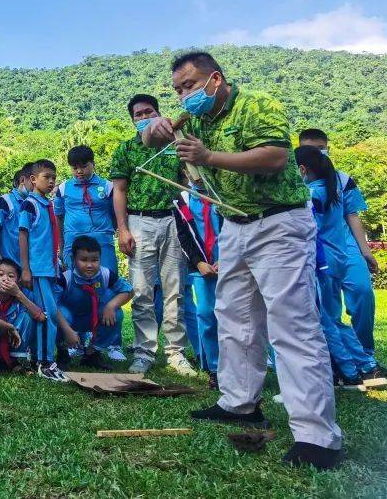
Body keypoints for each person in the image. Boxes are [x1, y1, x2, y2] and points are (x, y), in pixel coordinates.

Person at [145, 50, 342, 469]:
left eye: (190, 86)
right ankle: (239, 402)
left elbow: (275, 156)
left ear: (214, 79)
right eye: (178, 90)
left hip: (279, 222)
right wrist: (155, 127)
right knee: (233, 316)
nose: (184, 96)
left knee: (291, 324)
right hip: (234, 225)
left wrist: (208, 158)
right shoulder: (196, 117)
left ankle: (317, 437)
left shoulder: (257, 104)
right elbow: (149, 140)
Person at [110, 94, 193, 377]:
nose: (144, 117)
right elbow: (119, 191)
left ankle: (176, 354)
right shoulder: (126, 149)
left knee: (175, 288)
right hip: (139, 221)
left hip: (173, 219)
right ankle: (144, 352)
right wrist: (123, 229)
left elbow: (189, 179)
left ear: (159, 113)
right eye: (138, 114)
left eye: (149, 112)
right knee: (143, 290)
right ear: (132, 119)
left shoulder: (176, 142)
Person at [294, 146, 383, 387]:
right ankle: (365, 365)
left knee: (326, 320)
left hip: (321, 263)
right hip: (337, 259)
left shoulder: (311, 194)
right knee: (332, 318)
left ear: (302, 170)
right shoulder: (331, 188)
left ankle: (351, 370)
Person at [55, 146, 126, 361]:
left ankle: (112, 344)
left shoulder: (107, 186)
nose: (79, 171)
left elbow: (116, 213)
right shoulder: (63, 188)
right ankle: (77, 341)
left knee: (108, 291)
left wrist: (110, 232)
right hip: (72, 246)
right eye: (75, 167)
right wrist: (61, 247)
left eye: (83, 166)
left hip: (102, 245)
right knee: (74, 291)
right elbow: (58, 217)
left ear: (92, 163)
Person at [18, 159, 69, 383]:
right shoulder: (29, 205)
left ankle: (42, 360)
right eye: (46, 177)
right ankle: (46, 362)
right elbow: (23, 236)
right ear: (33, 179)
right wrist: (26, 269)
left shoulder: (46, 205)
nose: (51, 182)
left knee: (46, 314)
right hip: (37, 270)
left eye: (53, 178)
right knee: (47, 315)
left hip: (49, 269)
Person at [56, 236, 132, 369]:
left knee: (117, 314)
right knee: (57, 315)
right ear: (74, 260)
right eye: (83, 260)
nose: (90, 265)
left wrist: (111, 305)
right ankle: (62, 352)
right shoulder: (66, 278)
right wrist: (67, 329)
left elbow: (128, 291)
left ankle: (93, 353)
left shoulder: (106, 274)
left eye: (95, 260)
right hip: (69, 319)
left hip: (92, 318)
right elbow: (52, 305)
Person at [173, 187, 221, 386]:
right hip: (202, 267)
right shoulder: (182, 199)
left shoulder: (222, 193)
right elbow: (182, 235)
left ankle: (242, 366)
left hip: (231, 262)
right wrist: (198, 262)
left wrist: (228, 258)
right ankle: (215, 369)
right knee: (206, 314)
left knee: (237, 317)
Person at [0, 259, 40, 372]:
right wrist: (10, 327)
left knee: (27, 317)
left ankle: (16, 361)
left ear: (18, 282)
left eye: (11, 276)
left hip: (11, 343)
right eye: (1, 274)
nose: (5, 279)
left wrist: (18, 294)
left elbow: (40, 316)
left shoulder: (19, 295)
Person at [0, 165, 32, 266]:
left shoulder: (32, 202)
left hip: (26, 261)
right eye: (32, 181)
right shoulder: (6, 200)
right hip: (7, 260)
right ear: (22, 180)